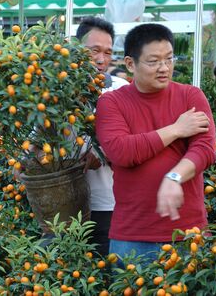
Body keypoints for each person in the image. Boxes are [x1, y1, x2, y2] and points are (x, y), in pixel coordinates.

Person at [95, 23, 216, 264]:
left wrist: (174, 177)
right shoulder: (112, 102)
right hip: (132, 235)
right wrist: (176, 129)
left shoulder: (191, 96)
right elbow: (121, 151)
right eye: (153, 61)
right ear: (131, 64)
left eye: (169, 59)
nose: (164, 68)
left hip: (187, 232)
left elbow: (204, 150)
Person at [75, 17, 129, 256]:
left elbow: (134, 138)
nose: (101, 59)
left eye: (108, 52)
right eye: (94, 50)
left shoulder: (121, 88)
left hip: (107, 202)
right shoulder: (55, 88)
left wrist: (102, 152)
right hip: (62, 206)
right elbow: (37, 137)